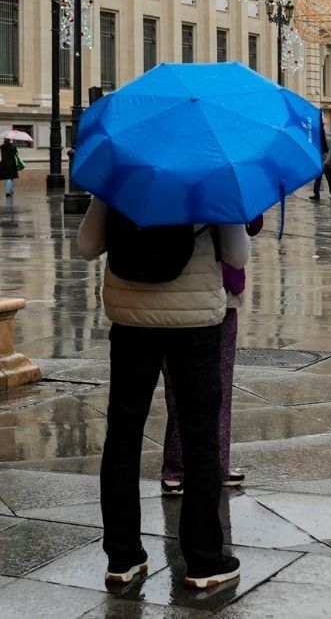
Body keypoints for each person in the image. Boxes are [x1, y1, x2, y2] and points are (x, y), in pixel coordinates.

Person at [79, 199, 250, 590]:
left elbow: (87, 246)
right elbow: (237, 255)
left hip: (130, 319)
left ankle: (122, 557)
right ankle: (205, 561)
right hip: (194, 323)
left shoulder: (121, 173)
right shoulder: (211, 177)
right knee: (200, 436)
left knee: (122, 436)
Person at [159, 215, 264, 496]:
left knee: (186, 386)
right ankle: (190, 465)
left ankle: (188, 466)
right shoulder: (222, 184)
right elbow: (239, 253)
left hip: (174, 294)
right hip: (210, 292)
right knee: (213, 385)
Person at [309, 126, 331, 201]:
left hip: (327, 164)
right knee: (317, 179)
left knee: (329, 179)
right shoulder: (316, 142)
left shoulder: (327, 141)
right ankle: (316, 194)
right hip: (320, 163)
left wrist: (326, 162)